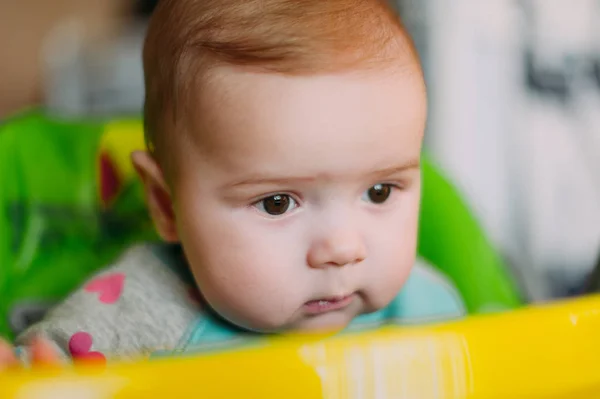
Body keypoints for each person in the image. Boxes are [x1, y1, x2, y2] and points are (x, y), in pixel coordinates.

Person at [0, 0, 465, 368]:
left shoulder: (429, 307)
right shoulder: (129, 318)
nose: (343, 248)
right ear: (165, 204)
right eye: (278, 203)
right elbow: (38, 377)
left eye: (379, 192)